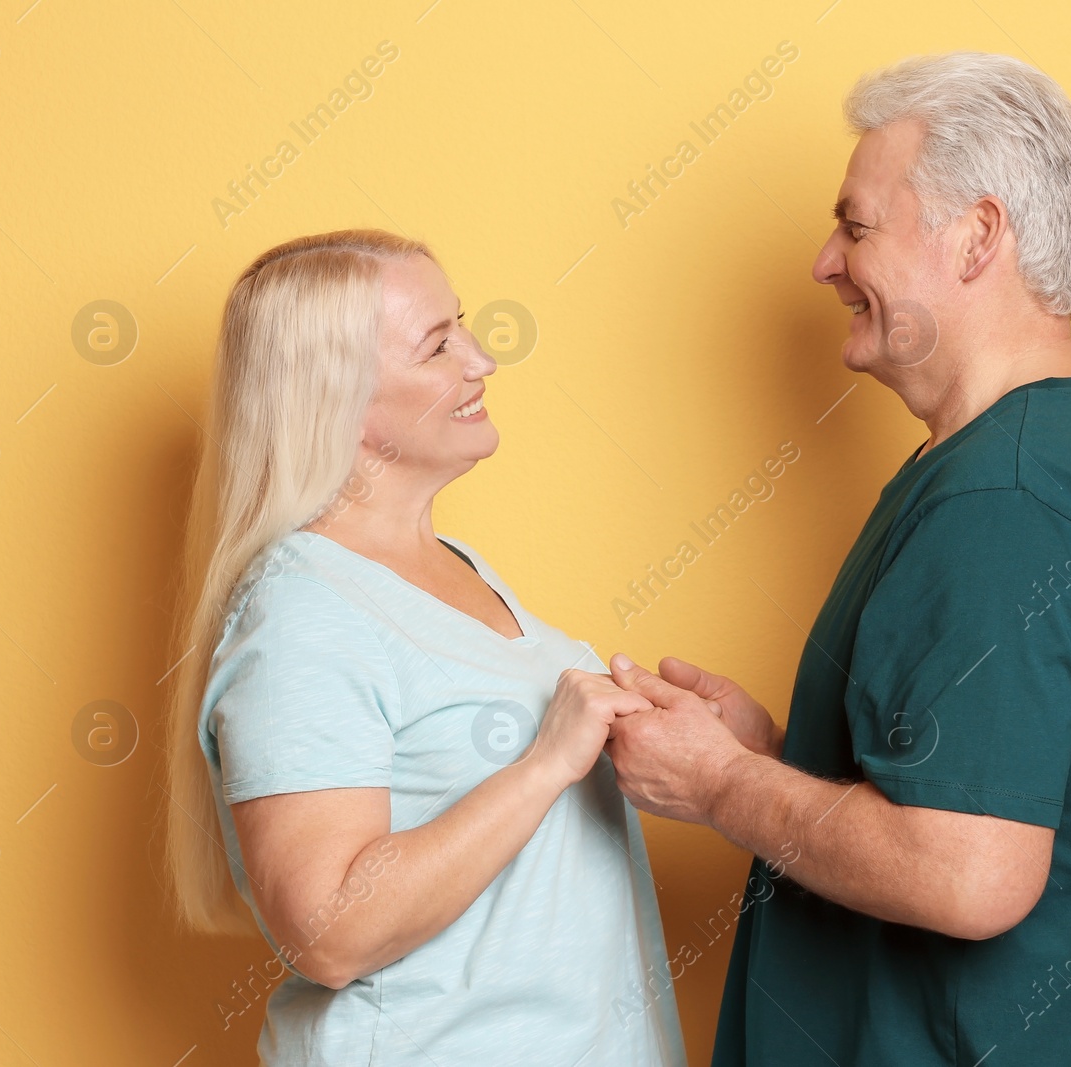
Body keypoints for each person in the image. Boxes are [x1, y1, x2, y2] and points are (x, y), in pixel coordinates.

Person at [603, 52, 1071, 1065]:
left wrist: (718, 785)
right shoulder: (1013, 463)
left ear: (977, 238)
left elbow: (966, 870)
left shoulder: (1007, 501)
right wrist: (774, 757)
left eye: (856, 226)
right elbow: (958, 793)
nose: (825, 262)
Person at [162, 230, 685, 1066]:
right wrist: (546, 763)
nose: (481, 360)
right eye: (439, 345)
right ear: (342, 402)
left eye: (464, 328)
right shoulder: (300, 615)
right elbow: (328, 932)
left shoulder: (457, 570)